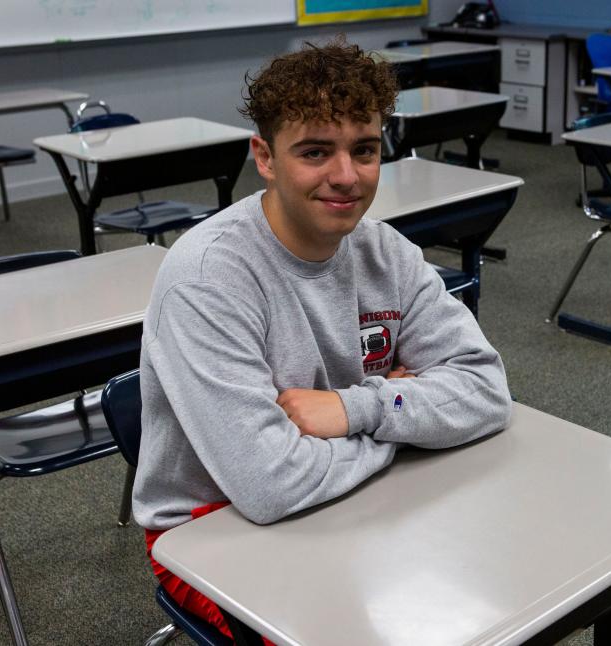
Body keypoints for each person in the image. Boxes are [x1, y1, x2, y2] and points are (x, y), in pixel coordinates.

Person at [133, 38, 512, 641]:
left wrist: (352, 408)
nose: (346, 177)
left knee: (485, 592)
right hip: (210, 528)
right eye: (315, 152)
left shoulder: (386, 252)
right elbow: (266, 484)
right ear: (264, 156)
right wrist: (403, 421)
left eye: (364, 150)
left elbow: (488, 393)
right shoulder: (208, 278)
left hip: (347, 490)